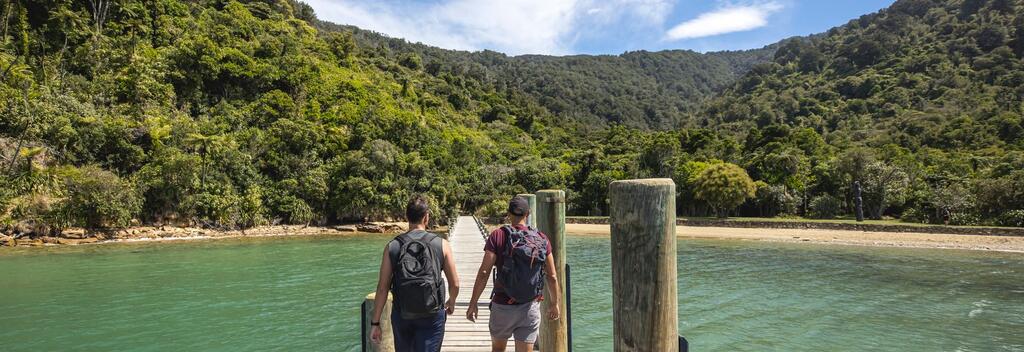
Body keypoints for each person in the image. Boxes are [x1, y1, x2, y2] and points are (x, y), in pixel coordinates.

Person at [466, 196, 561, 352]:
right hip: (530, 306)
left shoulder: (498, 235)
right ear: (528, 214)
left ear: (509, 214)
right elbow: (552, 276)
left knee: (498, 349)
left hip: (503, 305)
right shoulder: (541, 238)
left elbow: (484, 272)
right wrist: (554, 304)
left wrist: (473, 303)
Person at [370, 195, 459, 352]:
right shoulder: (442, 244)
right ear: (426, 217)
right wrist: (451, 302)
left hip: (402, 314)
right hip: (432, 314)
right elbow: (455, 284)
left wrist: (375, 323)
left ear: (407, 217)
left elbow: (382, 288)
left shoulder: (393, 246)